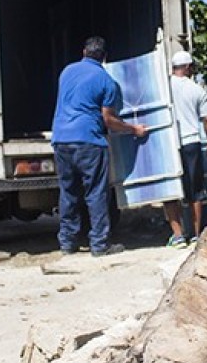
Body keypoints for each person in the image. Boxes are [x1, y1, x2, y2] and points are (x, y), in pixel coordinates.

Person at [52, 36, 147, 256]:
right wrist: (134, 130)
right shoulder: (106, 81)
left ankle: (67, 243)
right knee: (95, 193)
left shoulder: (66, 72)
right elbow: (108, 120)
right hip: (89, 141)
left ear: (84, 52)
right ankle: (99, 244)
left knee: (68, 193)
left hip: (61, 139)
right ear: (105, 57)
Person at [164, 50, 207, 248]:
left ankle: (177, 236)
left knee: (170, 190)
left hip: (169, 142)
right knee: (195, 190)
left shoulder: (164, 86)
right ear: (187, 67)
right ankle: (195, 235)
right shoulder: (197, 90)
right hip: (191, 142)